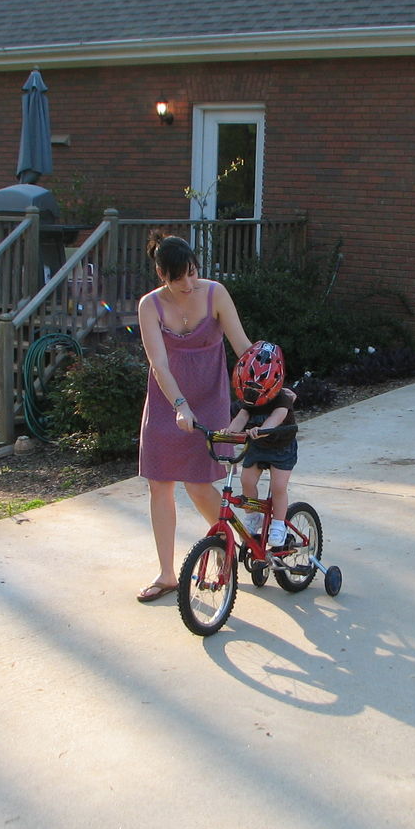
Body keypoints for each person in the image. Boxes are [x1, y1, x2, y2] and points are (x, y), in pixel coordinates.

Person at [135, 232, 252, 603]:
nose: (188, 283)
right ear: (161, 275)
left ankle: (224, 543)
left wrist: (268, 388)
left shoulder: (215, 293)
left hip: (210, 398)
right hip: (169, 401)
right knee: (160, 484)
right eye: (178, 278)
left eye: (192, 273)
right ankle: (167, 574)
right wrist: (179, 405)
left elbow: (244, 348)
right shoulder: (149, 306)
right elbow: (159, 364)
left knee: (200, 483)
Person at [223, 341, 298, 548]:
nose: (254, 394)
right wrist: (229, 432)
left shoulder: (282, 398)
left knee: (278, 487)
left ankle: (278, 524)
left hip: (281, 448)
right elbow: (242, 415)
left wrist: (263, 428)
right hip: (258, 447)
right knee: (247, 482)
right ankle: (253, 516)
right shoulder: (249, 399)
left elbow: (277, 417)